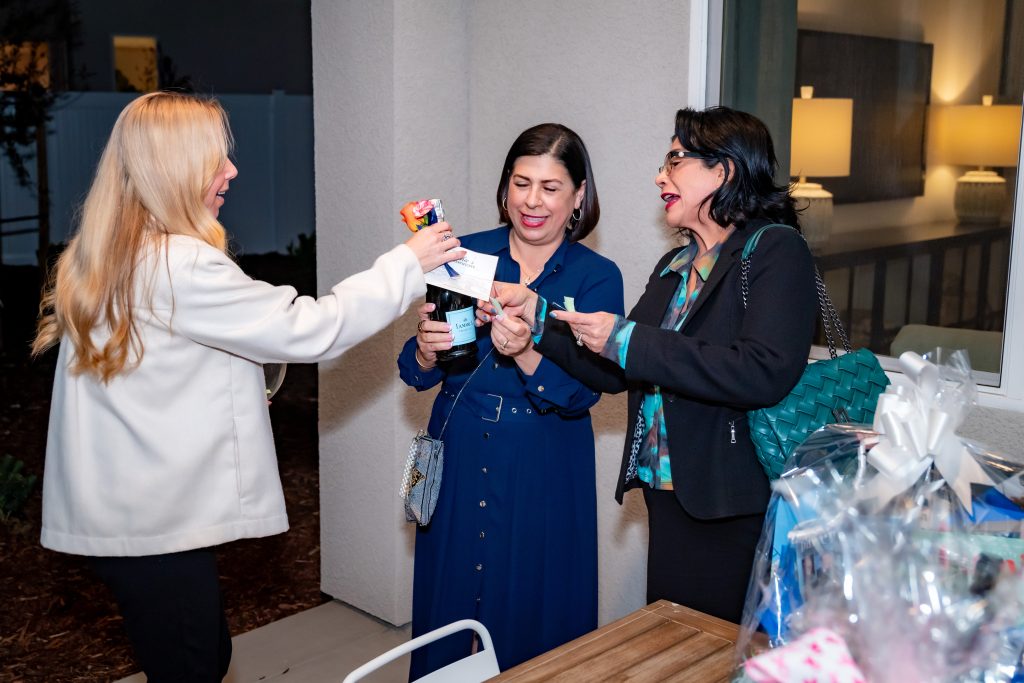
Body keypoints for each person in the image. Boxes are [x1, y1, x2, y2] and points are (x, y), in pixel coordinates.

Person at [31, 91, 463, 682]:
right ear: (174, 169)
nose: (231, 171)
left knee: (200, 653)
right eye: (216, 159)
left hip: (129, 513)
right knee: (194, 662)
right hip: (157, 526)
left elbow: (165, 366)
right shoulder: (177, 264)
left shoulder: (108, 252)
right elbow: (313, 329)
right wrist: (406, 264)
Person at [485, 106, 818, 623]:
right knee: (671, 640)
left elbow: (762, 369)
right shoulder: (676, 265)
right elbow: (616, 369)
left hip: (732, 498)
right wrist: (538, 318)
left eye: (675, 159)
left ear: (723, 170)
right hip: (670, 494)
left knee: (719, 650)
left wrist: (626, 339)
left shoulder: (775, 249)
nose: (659, 176)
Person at [397, 123, 624, 676]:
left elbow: (586, 391)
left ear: (578, 197)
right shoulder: (465, 254)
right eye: (521, 183)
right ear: (504, 189)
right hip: (460, 450)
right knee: (450, 604)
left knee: (536, 605)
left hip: (545, 461)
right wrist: (426, 353)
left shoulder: (596, 277)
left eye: (551, 187)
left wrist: (526, 352)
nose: (532, 200)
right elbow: (417, 365)